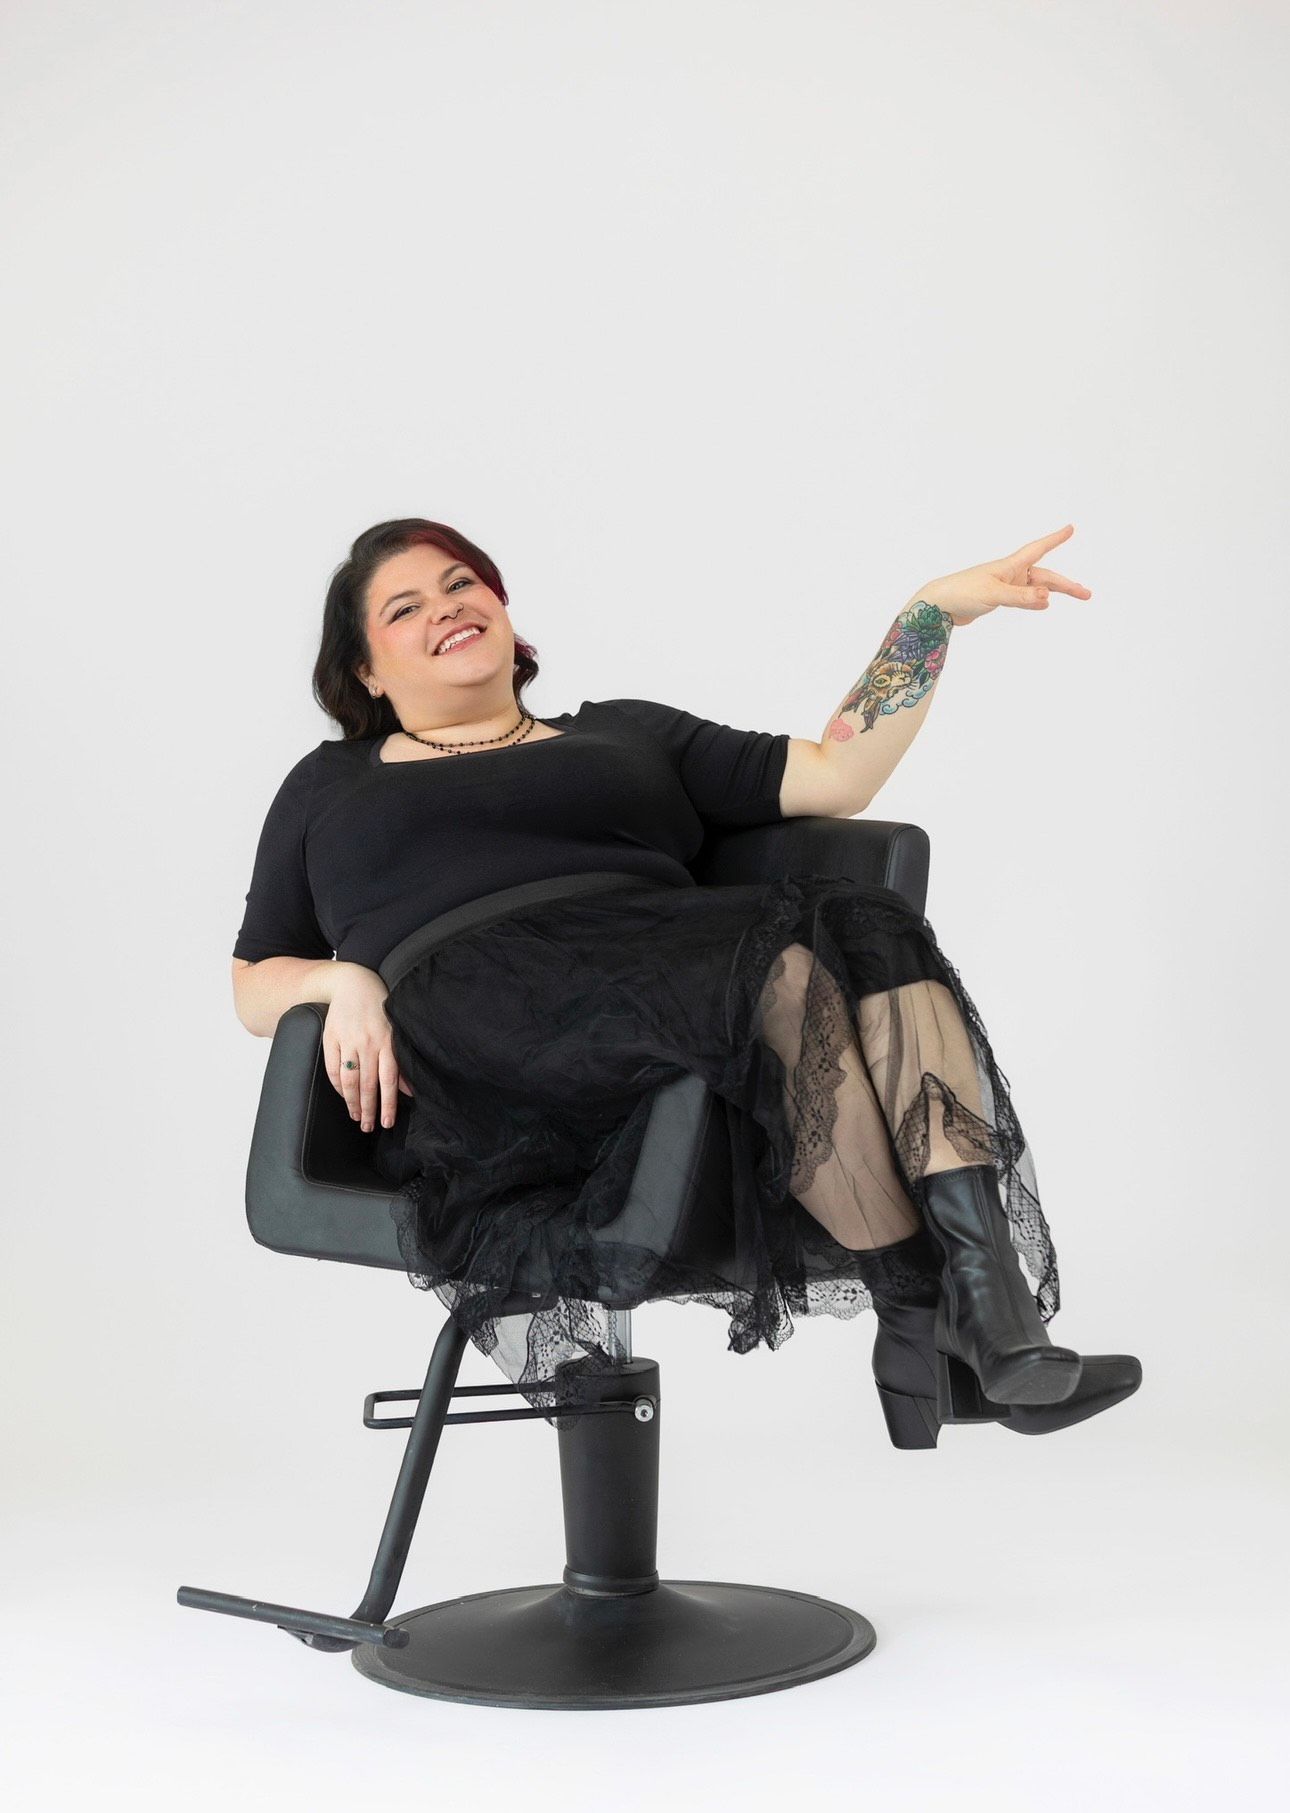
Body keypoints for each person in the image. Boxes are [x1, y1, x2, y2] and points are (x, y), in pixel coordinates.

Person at [231, 517, 1141, 1439]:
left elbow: (839, 776)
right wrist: (341, 983)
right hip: (491, 1011)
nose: (448, 608)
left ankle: (986, 1315)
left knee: (871, 923)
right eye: (405, 608)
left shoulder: (627, 735)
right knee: (776, 978)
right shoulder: (330, 786)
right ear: (367, 674)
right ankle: (923, 1312)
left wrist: (930, 617)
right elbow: (250, 982)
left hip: (667, 974)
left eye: (463, 584)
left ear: (504, 610)